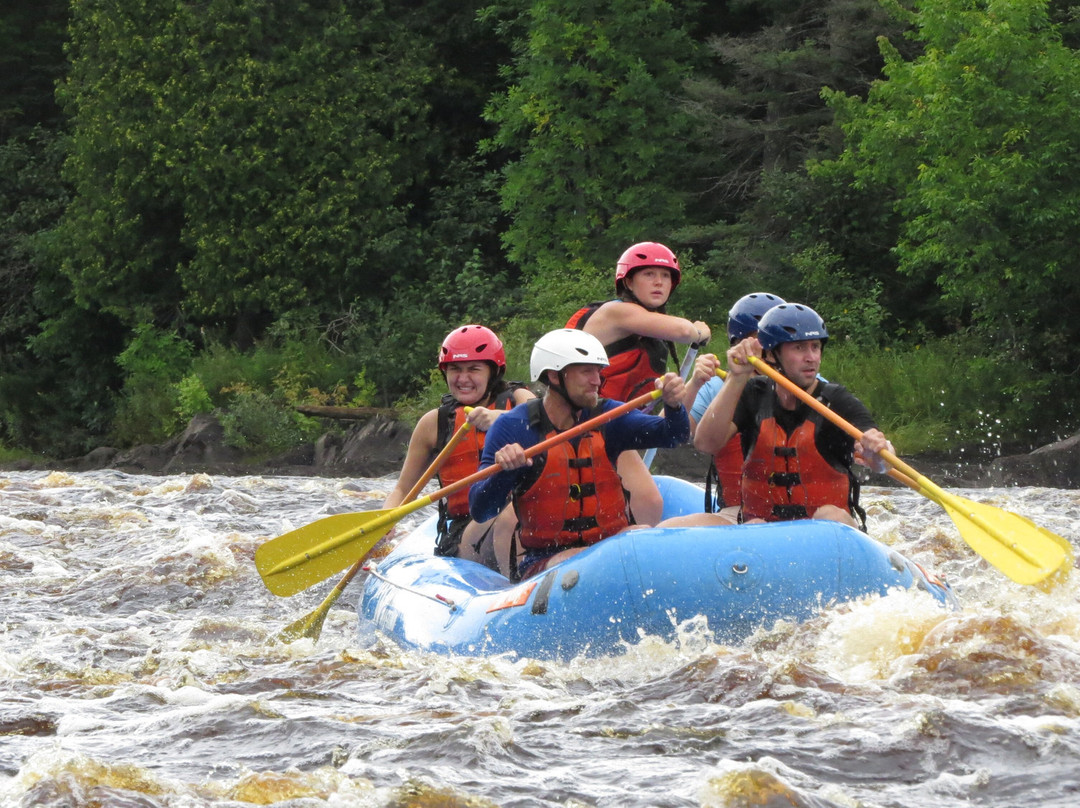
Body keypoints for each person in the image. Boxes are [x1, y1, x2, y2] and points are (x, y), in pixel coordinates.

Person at [468, 328, 690, 579]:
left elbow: (674, 435)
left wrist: (674, 406)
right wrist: (505, 472)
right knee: (585, 563)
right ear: (554, 376)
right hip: (546, 561)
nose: (597, 380)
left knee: (642, 537)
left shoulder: (609, 417)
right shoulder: (513, 427)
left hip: (611, 545)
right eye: (586, 372)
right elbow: (481, 509)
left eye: (598, 371)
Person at [672, 303, 893, 529]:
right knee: (755, 524)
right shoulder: (754, 394)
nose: (811, 358)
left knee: (830, 515)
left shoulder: (836, 400)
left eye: (815, 347)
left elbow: (883, 462)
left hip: (826, 532)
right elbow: (706, 443)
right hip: (763, 531)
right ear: (771, 354)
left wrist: (877, 452)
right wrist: (737, 378)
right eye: (798, 348)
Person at [565, 242, 711, 525]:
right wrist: (700, 330)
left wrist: (691, 386)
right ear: (628, 281)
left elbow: (663, 426)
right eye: (649, 274)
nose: (659, 282)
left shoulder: (652, 338)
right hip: (575, 423)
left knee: (649, 500)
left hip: (613, 429)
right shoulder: (615, 312)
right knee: (646, 500)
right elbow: (684, 330)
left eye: (665, 276)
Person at [382, 325, 534, 573]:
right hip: (467, 531)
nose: (463, 379)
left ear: (493, 372)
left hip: (533, 515)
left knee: (517, 514)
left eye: (474, 369)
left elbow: (541, 420)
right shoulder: (434, 423)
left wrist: (500, 418)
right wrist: (381, 526)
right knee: (510, 516)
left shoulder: (518, 398)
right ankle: (520, 593)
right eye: (455, 369)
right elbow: (402, 489)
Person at [690, 292, 786, 523]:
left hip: (803, 513)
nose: (766, 348)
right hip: (738, 512)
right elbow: (673, 435)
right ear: (739, 342)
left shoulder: (809, 387)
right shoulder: (717, 387)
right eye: (759, 339)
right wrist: (693, 385)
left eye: (774, 341)